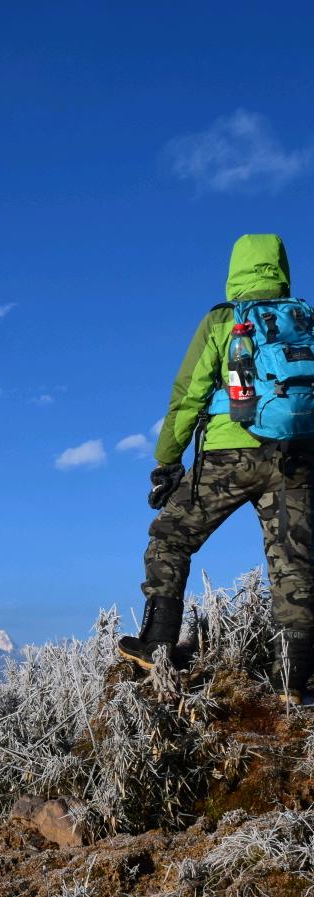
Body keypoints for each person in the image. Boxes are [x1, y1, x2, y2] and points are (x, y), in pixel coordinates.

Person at [117, 234, 314, 704]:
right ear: (282, 267)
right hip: (295, 460)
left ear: (235, 269)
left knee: (171, 536)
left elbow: (187, 395)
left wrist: (168, 459)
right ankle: (295, 682)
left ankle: (157, 643)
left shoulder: (223, 321)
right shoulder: (304, 319)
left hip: (226, 456)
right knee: (295, 567)